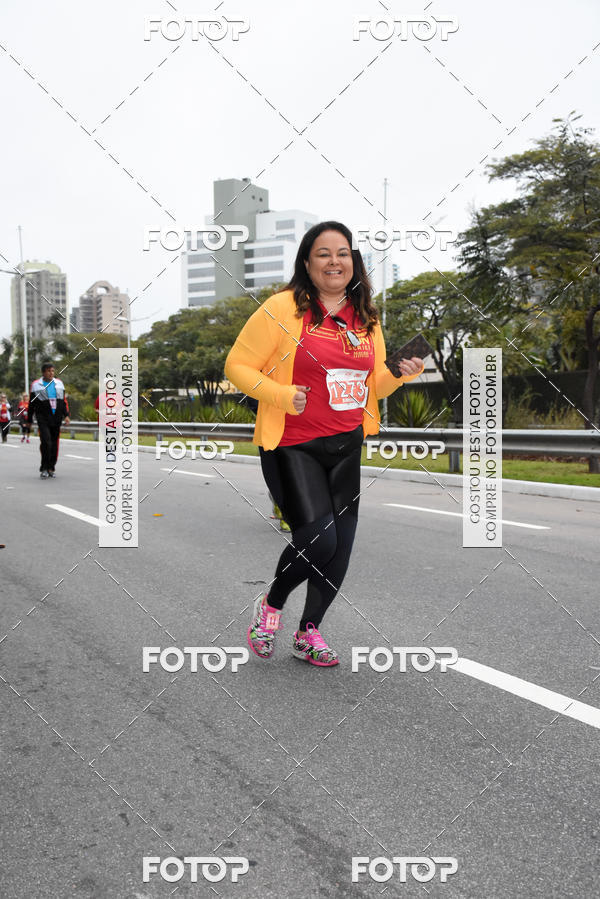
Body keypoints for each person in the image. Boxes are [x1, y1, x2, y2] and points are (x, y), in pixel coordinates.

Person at [224, 221, 424, 666]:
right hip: (293, 444)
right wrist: (279, 394)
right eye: (324, 253)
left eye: (343, 253)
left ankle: (308, 632)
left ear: (354, 262)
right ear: (307, 263)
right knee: (319, 541)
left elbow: (372, 386)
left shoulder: (366, 318)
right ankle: (271, 605)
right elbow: (236, 365)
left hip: (346, 443)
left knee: (341, 547)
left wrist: (399, 373)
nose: (335, 261)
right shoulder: (281, 308)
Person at [27, 362, 70, 478]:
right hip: (43, 418)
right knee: (46, 442)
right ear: (43, 372)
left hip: (56, 417)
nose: (51, 373)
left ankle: (51, 467)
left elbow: (63, 401)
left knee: (54, 444)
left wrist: (66, 415)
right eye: (48, 371)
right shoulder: (36, 385)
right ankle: (44, 468)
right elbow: (31, 404)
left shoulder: (59, 384)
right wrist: (29, 419)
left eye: (52, 371)